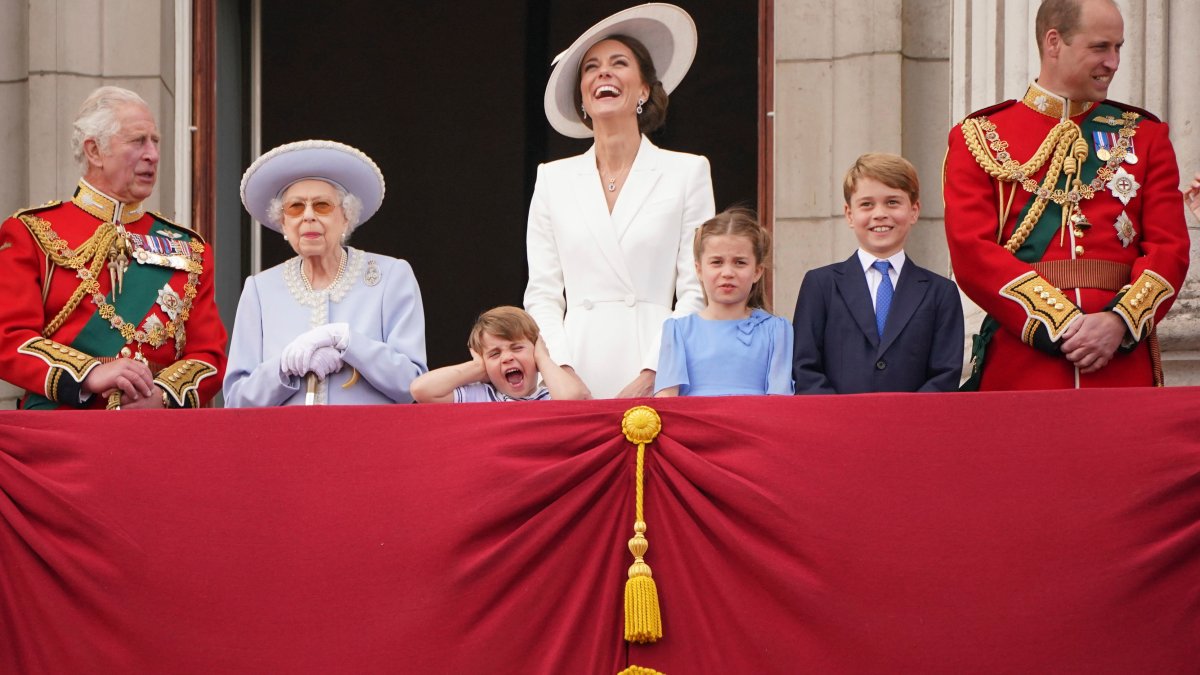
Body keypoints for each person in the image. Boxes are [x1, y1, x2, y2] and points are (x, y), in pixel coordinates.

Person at [943, 0, 1190, 390]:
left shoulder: (1144, 135)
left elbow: (1170, 249)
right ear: (1054, 42)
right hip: (1023, 364)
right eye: (1100, 47)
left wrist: (1119, 322)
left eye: (1118, 48)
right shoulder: (980, 137)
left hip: (1121, 366)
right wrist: (1059, 324)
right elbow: (971, 251)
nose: (1113, 62)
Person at [524, 3, 715, 399]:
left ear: (644, 88)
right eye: (591, 67)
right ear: (582, 96)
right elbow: (542, 293)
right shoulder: (552, 179)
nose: (603, 73)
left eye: (618, 63)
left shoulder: (687, 172)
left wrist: (655, 372)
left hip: (655, 367)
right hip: (575, 372)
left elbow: (696, 289)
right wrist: (560, 371)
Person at [0, 86, 226, 409]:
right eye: (138, 141)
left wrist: (161, 396)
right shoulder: (32, 232)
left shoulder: (190, 249)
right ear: (94, 151)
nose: (153, 154)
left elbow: (211, 357)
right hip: (60, 434)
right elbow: (9, 338)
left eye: (155, 141)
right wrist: (90, 375)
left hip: (154, 436)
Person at [223, 140, 427, 406]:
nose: (308, 216)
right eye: (295, 207)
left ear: (346, 217)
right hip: (284, 443)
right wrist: (284, 367)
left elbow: (412, 385)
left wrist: (349, 342)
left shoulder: (391, 277)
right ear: (284, 223)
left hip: (370, 442)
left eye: (322, 206)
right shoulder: (260, 290)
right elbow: (236, 400)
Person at [792, 154, 964, 394]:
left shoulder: (941, 292)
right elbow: (805, 367)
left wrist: (902, 423)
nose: (880, 213)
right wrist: (840, 420)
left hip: (911, 427)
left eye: (893, 202)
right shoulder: (821, 285)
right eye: (866, 204)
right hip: (837, 426)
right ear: (849, 214)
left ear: (914, 211)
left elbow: (945, 374)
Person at [654, 208, 793, 397]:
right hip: (692, 426)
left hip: (754, 425)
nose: (727, 272)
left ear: (758, 271)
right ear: (699, 269)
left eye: (740, 262)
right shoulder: (678, 331)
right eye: (717, 262)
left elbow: (780, 401)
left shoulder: (776, 330)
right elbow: (666, 401)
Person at [410, 306, 590, 403]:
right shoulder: (481, 397)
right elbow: (421, 390)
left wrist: (543, 359)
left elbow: (572, 400)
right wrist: (476, 368)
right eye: (494, 354)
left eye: (517, 348)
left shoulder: (551, 397)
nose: (507, 358)